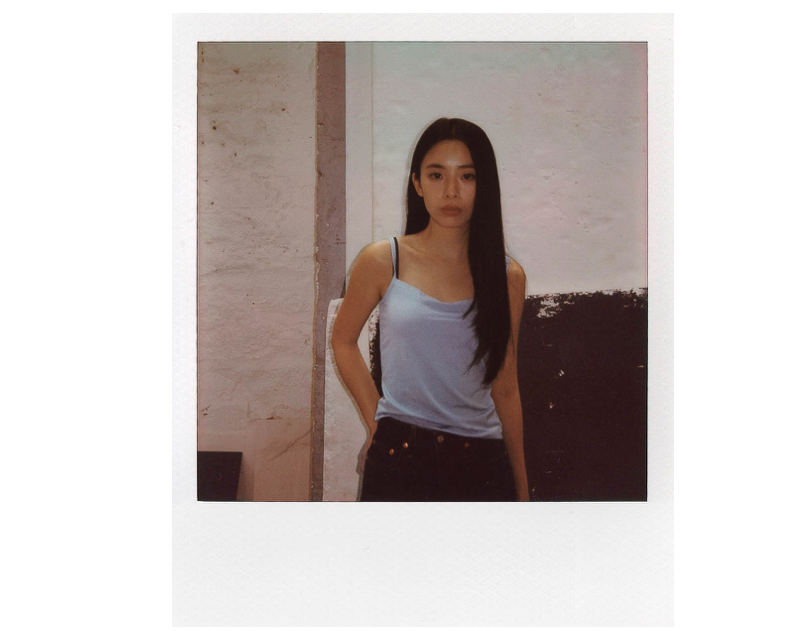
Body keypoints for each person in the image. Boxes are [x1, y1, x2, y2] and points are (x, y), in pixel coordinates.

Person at [332, 117, 529, 501]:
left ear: (484, 185)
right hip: (398, 460)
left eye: (467, 176)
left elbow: (505, 386)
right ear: (418, 183)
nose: (451, 191)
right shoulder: (382, 260)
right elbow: (343, 340)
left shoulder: (508, 277)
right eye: (437, 175)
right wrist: (378, 424)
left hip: (482, 466)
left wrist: (522, 488)